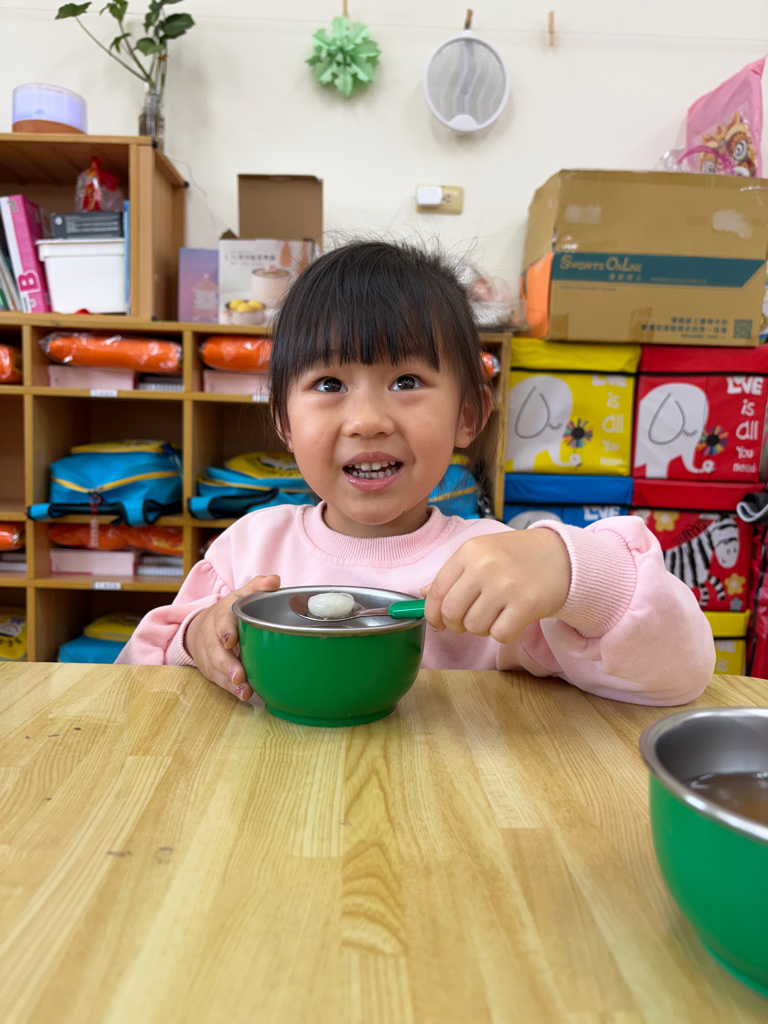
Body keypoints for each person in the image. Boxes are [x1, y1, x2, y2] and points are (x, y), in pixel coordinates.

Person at [117, 240, 715, 705]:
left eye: (406, 381)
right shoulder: (249, 549)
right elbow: (134, 681)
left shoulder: (497, 568)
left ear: (468, 415)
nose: (367, 421)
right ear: (284, 422)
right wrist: (197, 638)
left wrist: (574, 576)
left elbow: (679, 675)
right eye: (329, 383)